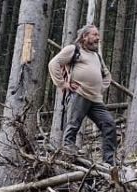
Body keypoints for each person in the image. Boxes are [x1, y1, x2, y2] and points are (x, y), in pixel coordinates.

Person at [48, 24, 117, 165]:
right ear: (85, 36)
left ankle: (109, 163)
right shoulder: (74, 49)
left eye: (98, 35)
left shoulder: (97, 55)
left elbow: (107, 75)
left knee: (109, 124)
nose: (98, 38)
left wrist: (99, 88)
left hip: (95, 99)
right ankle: (68, 158)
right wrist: (62, 84)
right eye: (95, 35)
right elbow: (53, 63)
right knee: (73, 126)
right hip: (78, 95)